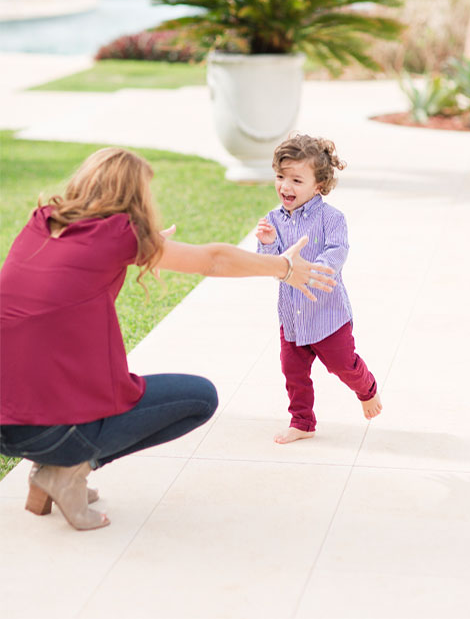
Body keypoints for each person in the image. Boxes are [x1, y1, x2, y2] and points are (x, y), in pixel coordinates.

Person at [0, 147, 337, 531]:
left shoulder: (41, 223)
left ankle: (58, 465)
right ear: (133, 198)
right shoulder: (116, 237)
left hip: (5, 424)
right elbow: (214, 259)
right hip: (45, 431)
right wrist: (284, 266)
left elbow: (66, 286)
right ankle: (66, 467)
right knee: (198, 398)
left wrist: (129, 251)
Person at [255, 134, 382, 445]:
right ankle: (302, 422)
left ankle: (366, 388)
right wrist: (269, 244)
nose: (285, 186)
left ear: (319, 186)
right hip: (293, 320)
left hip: (328, 317)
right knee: (293, 373)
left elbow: (337, 251)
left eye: (297, 180)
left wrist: (314, 270)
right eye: (281, 176)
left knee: (343, 365)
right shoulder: (274, 220)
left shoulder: (332, 219)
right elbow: (270, 266)